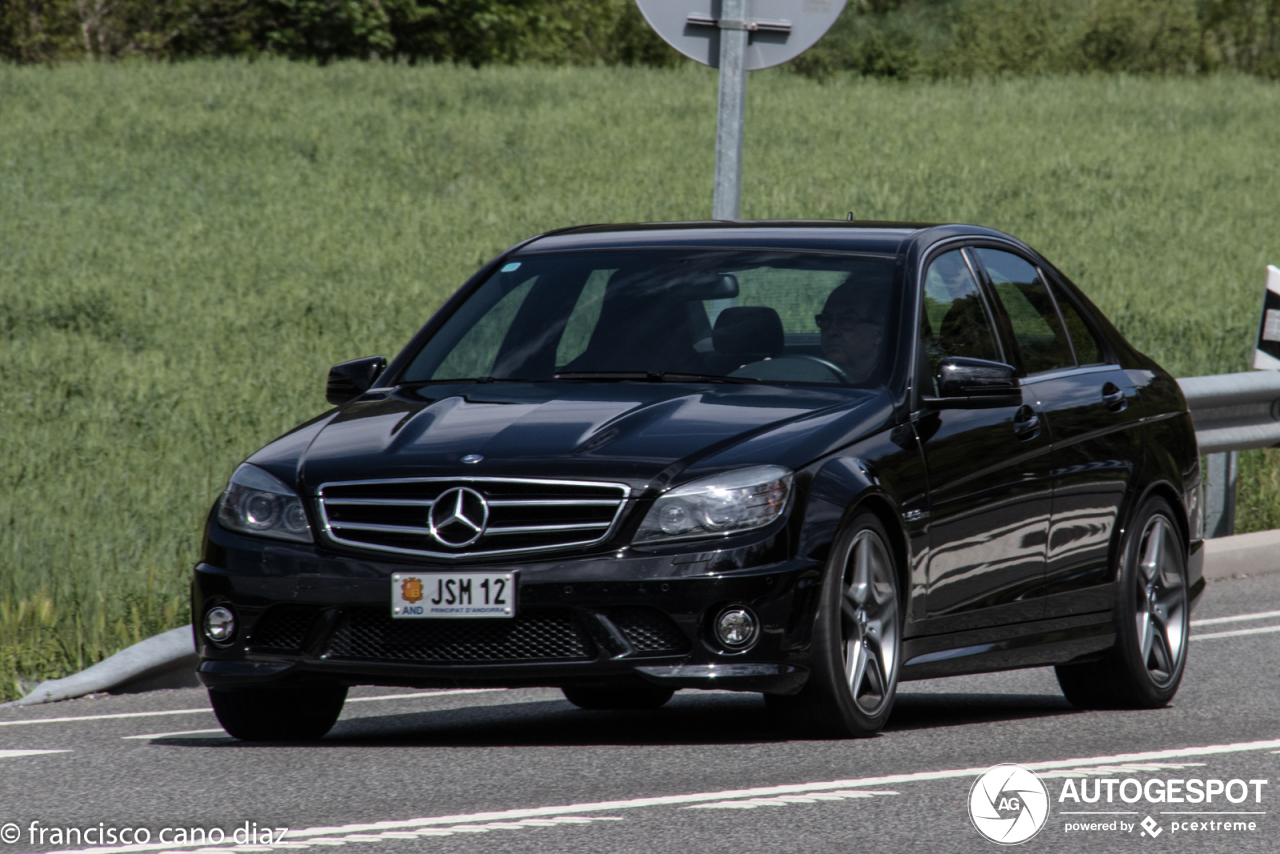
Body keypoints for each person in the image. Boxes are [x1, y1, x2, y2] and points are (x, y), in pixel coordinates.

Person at [814, 280, 885, 383]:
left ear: (878, 334)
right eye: (826, 319)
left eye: (847, 320)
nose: (831, 330)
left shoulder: (892, 381)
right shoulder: (807, 375)